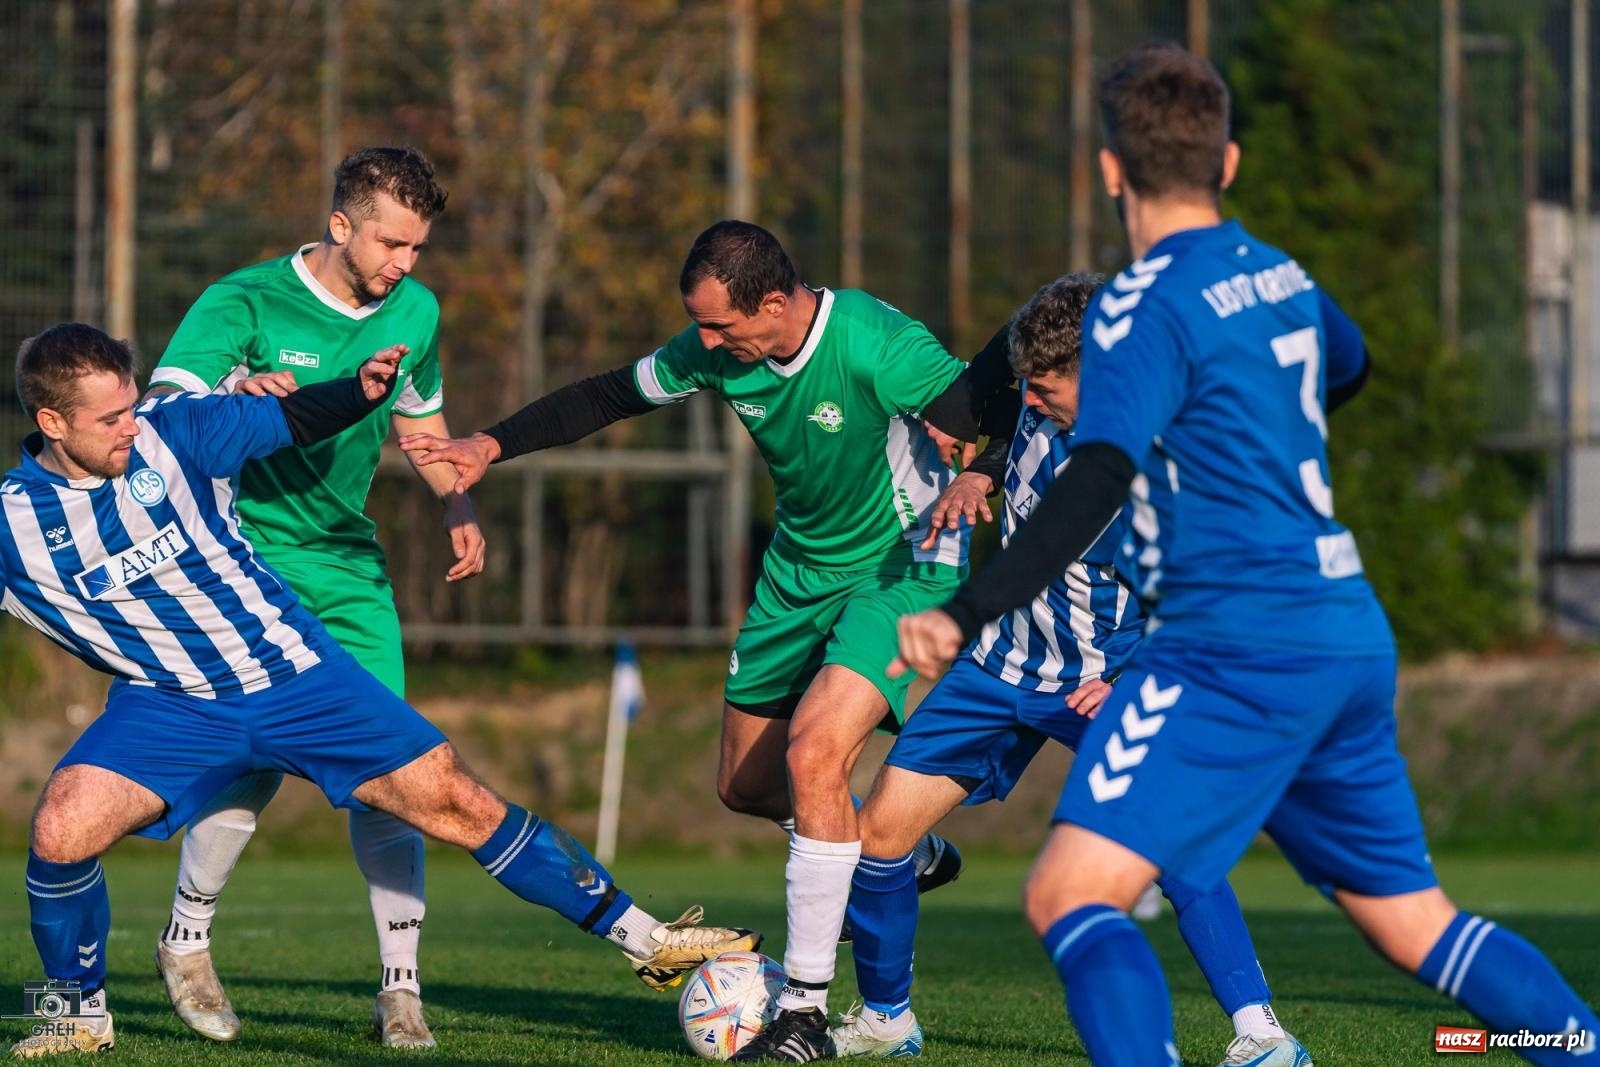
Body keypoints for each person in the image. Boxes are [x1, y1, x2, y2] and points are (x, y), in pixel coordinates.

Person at [892, 42, 1599, 1066]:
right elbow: (1345, 368)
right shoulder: (1277, 273)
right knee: (1417, 926)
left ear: (1108, 170)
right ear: (1226, 164)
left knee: (1066, 894)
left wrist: (963, 611)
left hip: (1237, 640)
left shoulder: (1133, 310)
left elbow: (1090, 479)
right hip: (1343, 629)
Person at [2, 322, 758, 1058]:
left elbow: (290, 417)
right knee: (62, 826)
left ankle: (647, 938)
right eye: (110, 417)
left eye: (133, 404)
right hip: (172, 704)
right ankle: (74, 1012)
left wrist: (360, 393)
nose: (130, 424)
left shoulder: (177, 430)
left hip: (297, 676)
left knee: (459, 800)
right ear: (51, 422)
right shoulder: (14, 523)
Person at [398, 220, 983, 1061]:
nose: (704, 343)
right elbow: (607, 394)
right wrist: (491, 443)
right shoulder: (717, 350)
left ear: (774, 303)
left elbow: (986, 403)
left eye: (719, 327)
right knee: (746, 785)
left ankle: (807, 1010)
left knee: (815, 752)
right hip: (798, 570)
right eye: (700, 326)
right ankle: (896, 850)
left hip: (901, 564)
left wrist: (976, 466)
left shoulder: (873, 343)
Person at [830, 273, 1309, 1067]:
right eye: (1025, 385)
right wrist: (982, 468)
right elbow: (1011, 439)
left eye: (1045, 387)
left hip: (1104, 673)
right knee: (882, 831)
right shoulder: (1036, 401)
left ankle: (1264, 1035)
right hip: (998, 667)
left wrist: (1134, 678)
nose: (1029, 398)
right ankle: (887, 1019)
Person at [142, 145, 483, 1048]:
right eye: (392, 243)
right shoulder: (243, 300)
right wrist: (232, 389)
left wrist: (457, 498)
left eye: (418, 247)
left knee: (397, 773)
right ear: (341, 226)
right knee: (249, 763)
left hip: (349, 569)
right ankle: (186, 941)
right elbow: (160, 408)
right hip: (246, 562)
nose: (406, 264)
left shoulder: (414, 308)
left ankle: (401, 992)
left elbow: (420, 416)